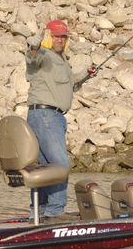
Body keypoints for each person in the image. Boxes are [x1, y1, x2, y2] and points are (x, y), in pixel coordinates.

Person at [25, 19, 93, 222]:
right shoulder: (44, 55)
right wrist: (34, 45)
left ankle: (39, 212)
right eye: (55, 36)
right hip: (46, 116)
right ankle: (55, 211)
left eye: (63, 37)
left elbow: (69, 86)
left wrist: (86, 76)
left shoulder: (61, 60)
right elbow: (32, 58)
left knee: (44, 167)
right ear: (48, 37)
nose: (60, 40)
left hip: (50, 117)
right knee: (60, 164)